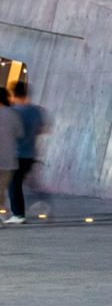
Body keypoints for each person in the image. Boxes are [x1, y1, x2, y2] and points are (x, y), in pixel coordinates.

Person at [5, 80, 44, 224]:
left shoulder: (12, 111)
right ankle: (40, 202)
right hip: (30, 153)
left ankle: (18, 214)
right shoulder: (35, 111)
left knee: (14, 185)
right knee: (21, 183)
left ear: (13, 94)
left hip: (16, 154)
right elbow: (41, 129)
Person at [0, 90, 19, 228]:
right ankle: (2, 214)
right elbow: (20, 133)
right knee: (2, 189)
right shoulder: (12, 114)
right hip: (8, 160)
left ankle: (2, 214)